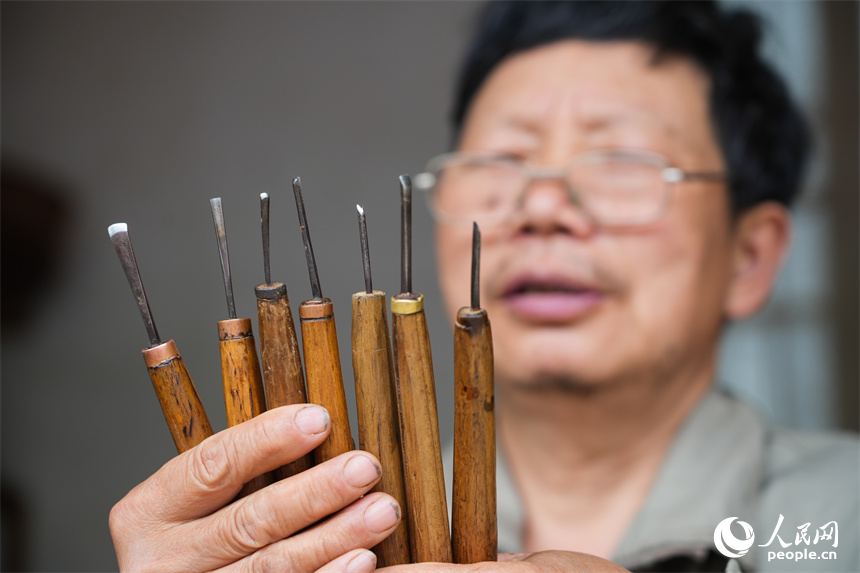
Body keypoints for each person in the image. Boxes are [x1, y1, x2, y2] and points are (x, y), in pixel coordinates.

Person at [108, 2, 858, 572]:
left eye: (620, 163)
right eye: (499, 162)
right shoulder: (329, 519)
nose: (539, 208)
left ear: (750, 256)